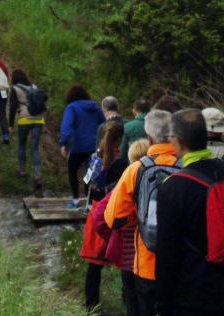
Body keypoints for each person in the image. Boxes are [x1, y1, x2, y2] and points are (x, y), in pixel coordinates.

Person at [155, 109, 224, 316]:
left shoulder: (173, 187)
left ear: (178, 141)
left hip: (192, 299)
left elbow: (167, 253)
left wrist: (162, 305)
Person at [104, 109, 177, 316]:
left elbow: (113, 218)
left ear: (149, 136)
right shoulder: (187, 166)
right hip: (183, 265)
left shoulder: (136, 169)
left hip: (147, 264)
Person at [80, 124, 126, 312]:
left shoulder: (95, 157)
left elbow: (86, 185)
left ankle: (91, 304)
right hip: (113, 212)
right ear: (120, 140)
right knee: (126, 260)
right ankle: (127, 302)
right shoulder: (122, 163)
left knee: (94, 264)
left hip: (95, 212)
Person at [59, 85, 105, 207]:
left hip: (78, 146)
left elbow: (66, 126)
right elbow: (104, 124)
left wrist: (64, 143)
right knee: (90, 174)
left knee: (72, 172)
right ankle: (90, 203)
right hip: (94, 146)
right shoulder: (95, 107)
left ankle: (75, 200)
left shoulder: (71, 107)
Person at [8, 69, 46, 190]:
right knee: (35, 148)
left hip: (24, 119)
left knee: (22, 145)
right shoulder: (34, 86)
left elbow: (13, 107)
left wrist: (10, 125)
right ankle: (38, 176)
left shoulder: (15, 89)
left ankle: (22, 171)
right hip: (38, 119)